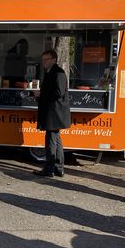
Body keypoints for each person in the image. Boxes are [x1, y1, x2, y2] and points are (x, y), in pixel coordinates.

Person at [33, 50, 71, 178]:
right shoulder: (50, 72)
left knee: (51, 141)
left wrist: (41, 94)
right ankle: (58, 168)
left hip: (55, 113)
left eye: (47, 59)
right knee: (57, 140)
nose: (44, 62)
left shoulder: (58, 73)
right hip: (53, 112)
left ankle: (50, 169)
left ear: (54, 60)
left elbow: (58, 93)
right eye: (43, 59)